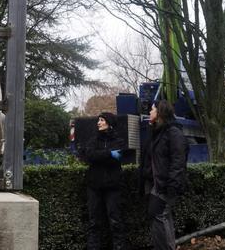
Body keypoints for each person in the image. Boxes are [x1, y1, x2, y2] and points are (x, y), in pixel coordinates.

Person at [139, 100, 188, 250]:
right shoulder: (158, 131)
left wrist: (172, 184)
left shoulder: (173, 132)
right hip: (157, 183)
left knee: (159, 215)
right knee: (161, 216)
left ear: (159, 112)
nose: (149, 113)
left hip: (165, 184)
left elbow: (178, 160)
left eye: (152, 110)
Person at [78, 112, 127, 250]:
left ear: (109, 123)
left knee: (115, 221)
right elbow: (90, 155)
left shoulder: (118, 140)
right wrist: (109, 154)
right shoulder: (93, 140)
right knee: (94, 222)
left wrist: (100, 155)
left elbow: (118, 155)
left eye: (102, 120)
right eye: (98, 120)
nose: (98, 122)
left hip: (113, 187)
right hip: (94, 186)